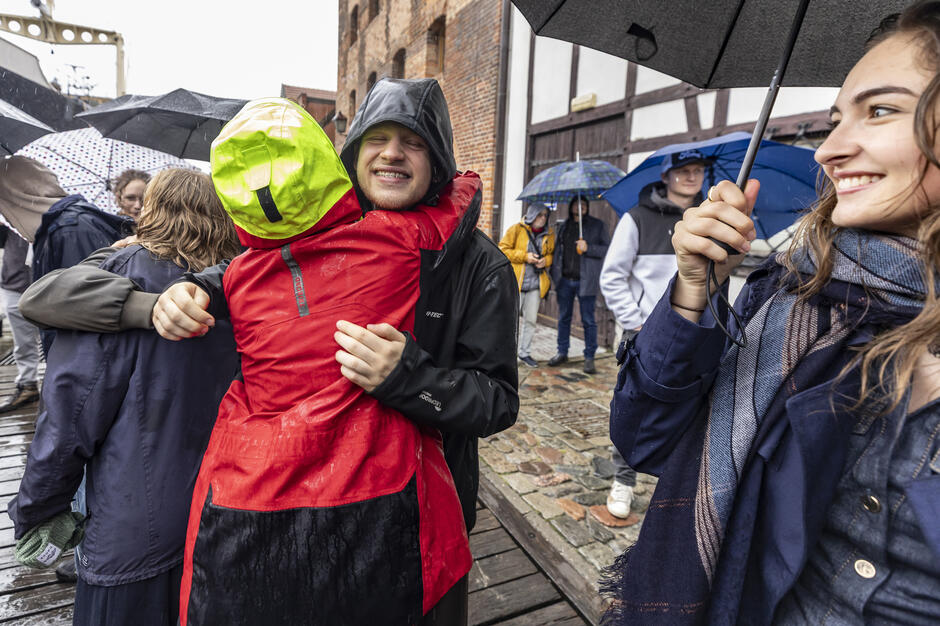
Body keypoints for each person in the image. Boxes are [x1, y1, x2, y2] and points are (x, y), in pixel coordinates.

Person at [19, 77, 520, 624]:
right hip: (304, 522)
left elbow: (496, 401)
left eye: (414, 141)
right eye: (378, 139)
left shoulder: (479, 265)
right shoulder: (317, 231)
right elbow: (246, 272)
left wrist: (408, 375)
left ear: (438, 158)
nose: (393, 153)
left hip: (417, 514)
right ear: (352, 155)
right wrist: (186, 292)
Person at [603, 3, 940, 624]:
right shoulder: (797, 292)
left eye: (882, 109)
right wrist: (692, 292)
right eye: (836, 119)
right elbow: (644, 437)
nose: (829, 151)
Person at [8, 168, 241, 626]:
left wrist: (35, 511)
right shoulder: (238, 287)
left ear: (149, 212)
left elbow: (67, 419)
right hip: (224, 522)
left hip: (132, 533)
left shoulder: (112, 286)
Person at [598, 150, 710, 518]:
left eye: (698, 171)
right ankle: (623, 480)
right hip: (644, 333)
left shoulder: (707, 220)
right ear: (666, 177)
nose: (692, 177)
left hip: (693, 335)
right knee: (634, 409)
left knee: (691, 410)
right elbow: (612, 276)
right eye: (683, 171)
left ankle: (673, 488)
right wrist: (636, 322)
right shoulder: (637, 219)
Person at [548, 196, 610, 373]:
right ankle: (562, 352)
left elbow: (606, 248)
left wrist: (588, 248)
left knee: (588, 320)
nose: (581, 207)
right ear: (571, 207)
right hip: (565, 280)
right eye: (577, 204)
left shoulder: (597, 225)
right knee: (564, 318)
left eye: (584, 204)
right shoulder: (564, 226)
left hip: (586, 281)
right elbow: (558, 251)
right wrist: (555, 274)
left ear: (588, 207)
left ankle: (589, 356)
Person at [498, 203, 554, 367]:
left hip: (536, 284)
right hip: (517, 282)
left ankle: (525, 353)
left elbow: (551, 253)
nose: (543, 219)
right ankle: (505, 354)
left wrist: (545, 261)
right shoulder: (516, 229)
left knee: (530, 320)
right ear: (531, 215)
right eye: (539, 215)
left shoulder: (549, 234)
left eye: (545, 215)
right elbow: (502, 249)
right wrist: (525, 256)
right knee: (510, 321)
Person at [0, 227, 40, 412]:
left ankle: (58, 390)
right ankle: (27, 385)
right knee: (22, 343)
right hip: (14, 282)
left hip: (47, 284)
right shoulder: (9, 211)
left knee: (57, 342)